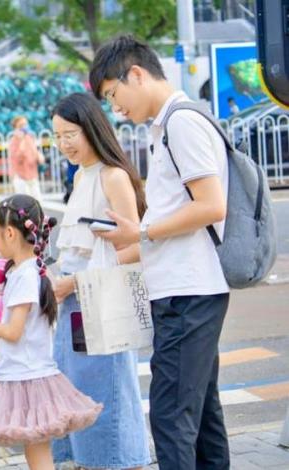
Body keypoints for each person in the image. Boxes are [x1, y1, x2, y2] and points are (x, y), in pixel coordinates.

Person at [89, 35, 230, 470]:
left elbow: (211, 205)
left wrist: (141, 231)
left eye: (114, 95)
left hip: (190, 293)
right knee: (201, 416)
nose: (116, 109)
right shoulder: (168, 126)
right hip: (186, 289)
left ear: (136, 74)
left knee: (171, 417)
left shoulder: (181, 123)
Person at [0, 194, 102, 470]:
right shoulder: (28, 270)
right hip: (28, 373)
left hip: (26, 377)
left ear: (10, 233)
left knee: (37, 452)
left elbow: (14, 332)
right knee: (35, 450)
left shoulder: (24, 276)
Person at [50, 93, 151, 469]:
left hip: (101, 301)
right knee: (78, 390)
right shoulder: (81, 176)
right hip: (74, 303)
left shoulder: (113, 177)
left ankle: (119, 462)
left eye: (70, 133)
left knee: (106, 392)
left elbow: (135, 247)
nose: (64, 144)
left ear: (92, 127)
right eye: (58, 136)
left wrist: (74, 283)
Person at [8, 116, 45, 200]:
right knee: (25, 202)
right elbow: (17, 158)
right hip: (20, 176)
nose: (25, 126)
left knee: (37, 201)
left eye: (25, 124)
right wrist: (21, 141)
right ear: (16, 128)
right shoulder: (14, 140)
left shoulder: (29, 137)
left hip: (32, 174)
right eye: (21, 125)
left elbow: (34, 151)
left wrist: (39, 156)